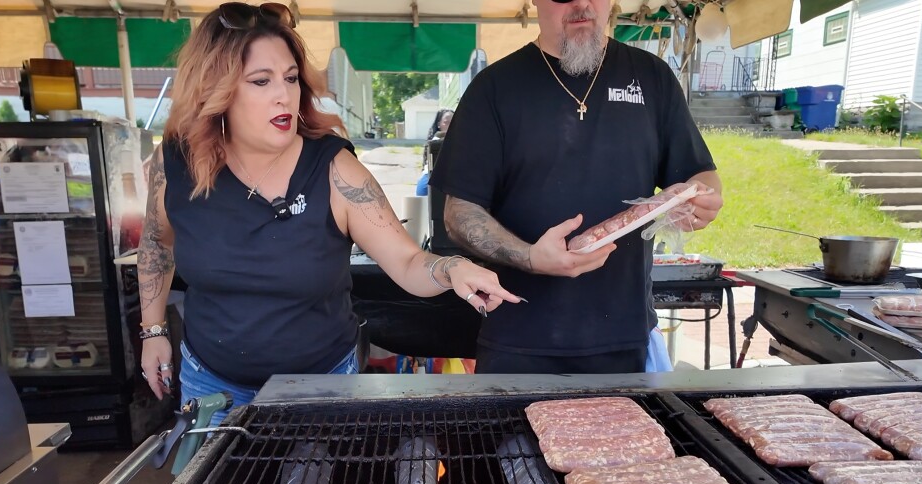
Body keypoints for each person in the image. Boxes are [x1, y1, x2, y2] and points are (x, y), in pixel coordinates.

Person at [137, 2, 520, 422]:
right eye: (260, 81)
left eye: (290, 78)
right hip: (211, 381)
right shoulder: (174, 163)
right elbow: (157, 244)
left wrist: (452, 268)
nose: (284, 94)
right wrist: (153, 331)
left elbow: (408, 261)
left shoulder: (335, 170)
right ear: (216, 89)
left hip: (321, 382)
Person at [431, 0, 724, 375]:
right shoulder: (495, 88)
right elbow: (459, 213)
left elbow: (700, 174)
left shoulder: (652, 77)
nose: (582, 3)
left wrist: (703, 197)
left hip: (625, 333)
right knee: (511, 437)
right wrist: (531, 257)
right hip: (519, 336)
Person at [415, 109, 453, 196]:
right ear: (439, 124)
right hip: (429, 182)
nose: (450, 125)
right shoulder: (436, 141)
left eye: (454, 122)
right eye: (446, 122)